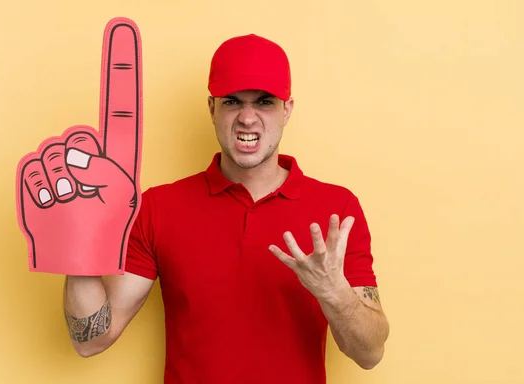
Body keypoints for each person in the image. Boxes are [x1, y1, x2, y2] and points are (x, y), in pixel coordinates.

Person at [62, 33, 390, 383]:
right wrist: (77, 244)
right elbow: (91, 341)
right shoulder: (159, 207)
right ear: (211, 108)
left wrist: (334, 293)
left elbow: (369, 353)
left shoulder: (335, 209)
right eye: (233, 101)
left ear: (287, 110)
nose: (247, 118)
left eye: (264, 102)